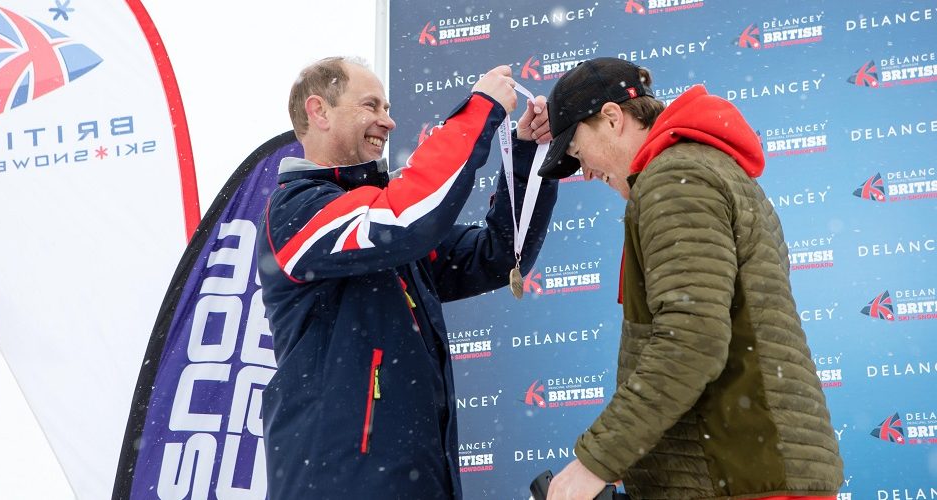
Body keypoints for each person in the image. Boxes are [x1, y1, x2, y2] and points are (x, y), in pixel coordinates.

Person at [536, 58, 843, 500]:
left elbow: (691, 340)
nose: (584, 172)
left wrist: (595, 464)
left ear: (612, 118)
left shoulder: (674, 180)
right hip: (751, 465)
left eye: (579, 153)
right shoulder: (703, 169)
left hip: (739, 473)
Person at [255, 57, 558, 499]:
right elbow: (405, 215)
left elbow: (496, 255)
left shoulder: (382, 221)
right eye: (371, 106)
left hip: (418, 481)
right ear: (319, 112)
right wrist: (479, 111)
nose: (388, 121)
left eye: (387, 107)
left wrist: (528, 151)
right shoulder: (296, 210)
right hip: (340, 484)